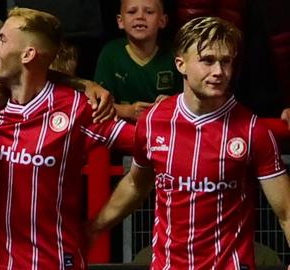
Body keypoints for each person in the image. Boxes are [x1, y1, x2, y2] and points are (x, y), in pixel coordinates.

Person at [88, 16, 290, 269]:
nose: (219, 71)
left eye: (226, 61)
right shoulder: (153, 122)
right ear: (180, 64)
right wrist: (93, 229)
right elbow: (135, 184)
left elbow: (286, 211)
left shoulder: (252, 130)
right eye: (207, 60)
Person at [0, 7, 134, 270]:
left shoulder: (78, 110)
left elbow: (151, 153)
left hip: (57, 261)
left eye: (1, 39)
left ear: (28, 54)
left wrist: (98, 226)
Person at [94, 0, 182, 122]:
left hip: (164, 127)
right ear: (120, 21)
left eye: (149, 12)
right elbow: (97, 104)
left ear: (162, 20)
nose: (140, 17)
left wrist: (173, 103)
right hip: (122, 129)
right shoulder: (111, 53)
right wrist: (127, 111)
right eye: (131, 12)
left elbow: (190, 101)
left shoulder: (175, 54)